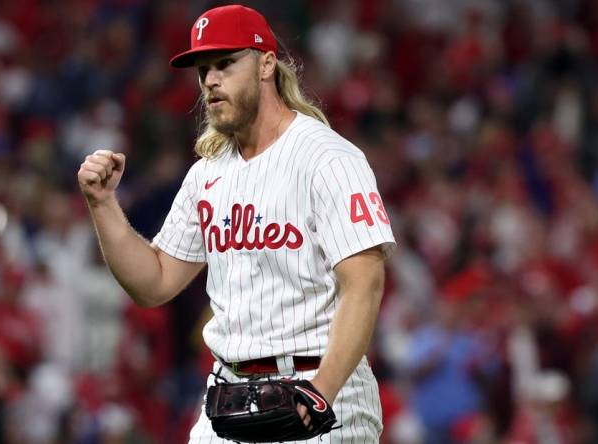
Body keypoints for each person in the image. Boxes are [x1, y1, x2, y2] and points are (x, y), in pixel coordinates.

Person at [77, 4, 396, 442]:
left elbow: (365, 284)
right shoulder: (208, 173)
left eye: (226, 63)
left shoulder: (328, 159)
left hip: (322, 389)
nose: (210, 80)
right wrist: (103, 204)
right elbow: (153, 283)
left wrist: (320, 392)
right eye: (203, 69)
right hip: (228, 396)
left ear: (266, 63)